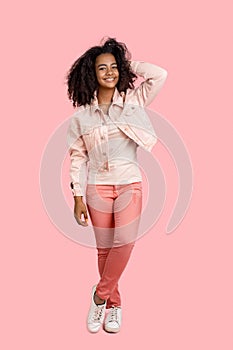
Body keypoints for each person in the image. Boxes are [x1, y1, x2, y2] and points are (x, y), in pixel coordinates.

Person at [66, 37, 168, 333]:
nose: (109, 72)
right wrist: (77, 196)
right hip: (97, 187)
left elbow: (160, 74)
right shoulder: (82, 117)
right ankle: (114, 306)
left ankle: (99, 297)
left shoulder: (133, 101)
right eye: (102, 68)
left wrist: (126, 64)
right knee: (104, 249)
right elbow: (76, 157)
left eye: (114, 67)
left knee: (125, 242)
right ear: (91, 74)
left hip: (129, 184)